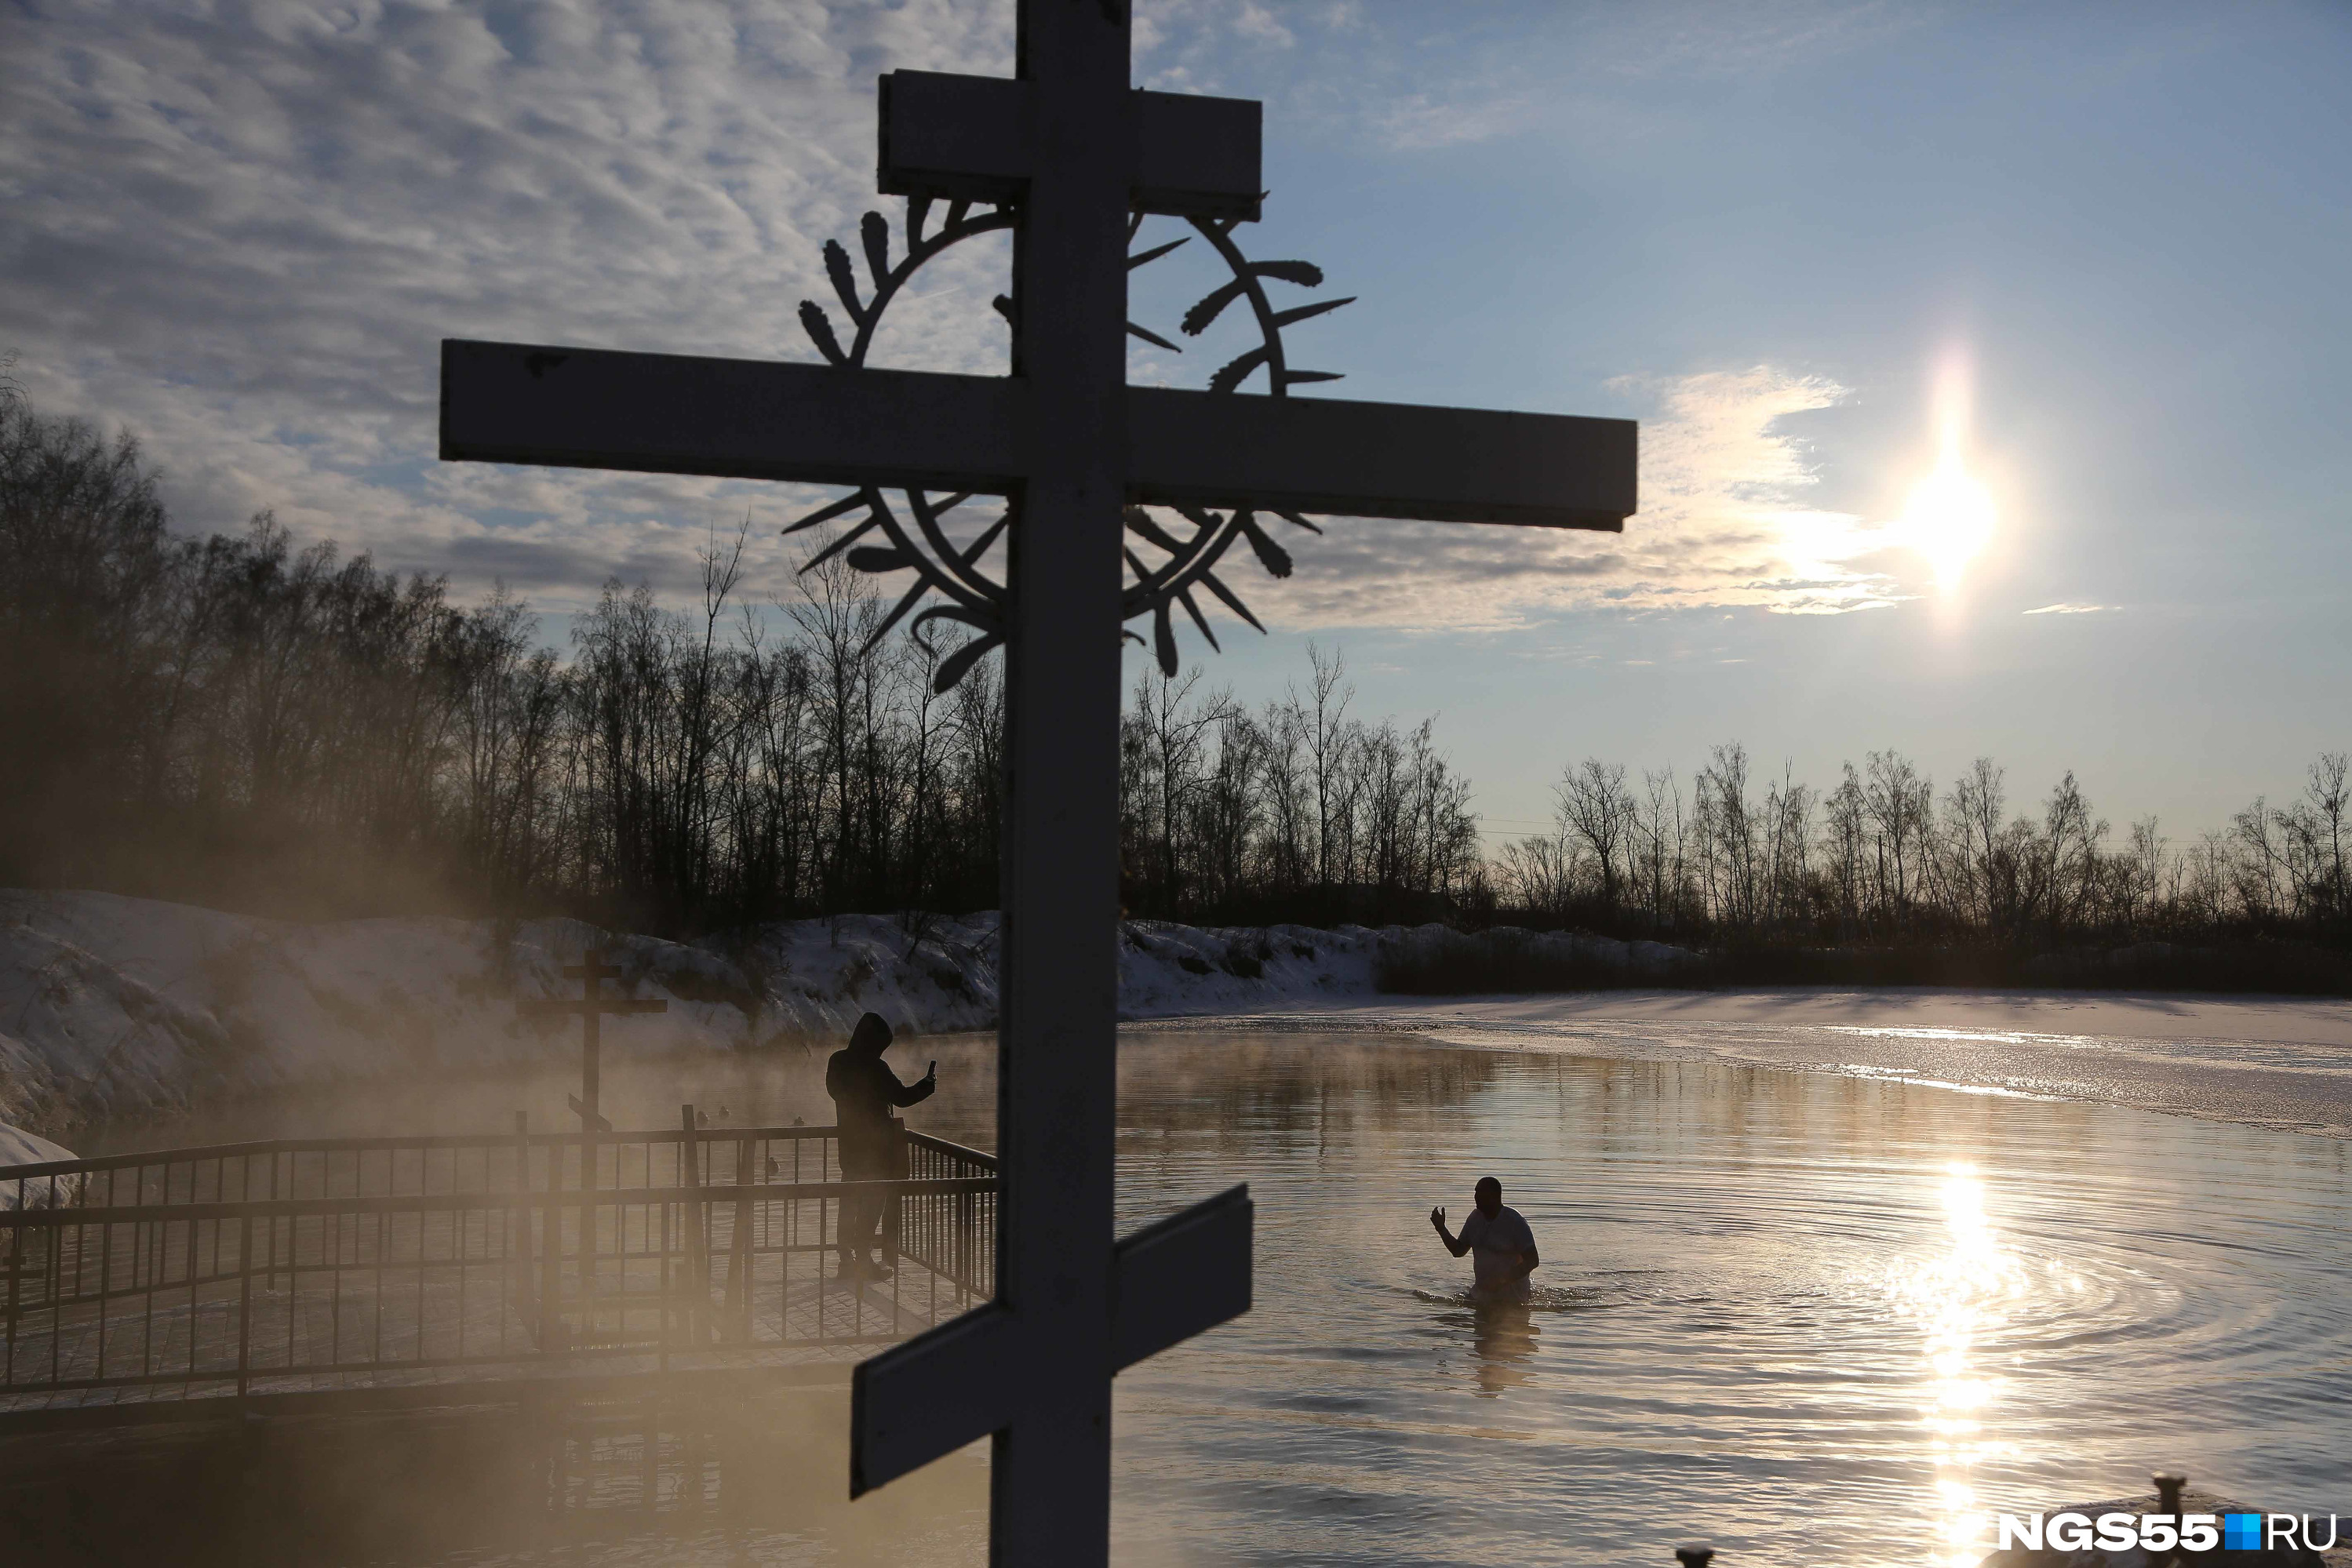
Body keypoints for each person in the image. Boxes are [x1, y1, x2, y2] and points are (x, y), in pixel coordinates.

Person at [826, 1012, 935, 1280]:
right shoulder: (876, 1068)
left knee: (849, 1203)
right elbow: (902, 1097)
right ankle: (863, 1259)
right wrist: (926, 1086)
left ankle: (846, 1261)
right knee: (872, 1203)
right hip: (876, 1152)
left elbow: (835, 1092)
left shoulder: (838, 1061)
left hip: (850, 1149)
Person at [1430, 1177, 1540, 1303]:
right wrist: (1441, 1229)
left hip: (1513, 1300)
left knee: (1506, 1321)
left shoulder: (1515, 1221)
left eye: (1481, 1192)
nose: (1476, 1196)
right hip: (1480, 1296)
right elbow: (1458, 1251)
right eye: (1476, 1192)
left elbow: (1533, 1261)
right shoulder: (1474, 1219)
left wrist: (1502, 1280)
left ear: (1494, 1196)